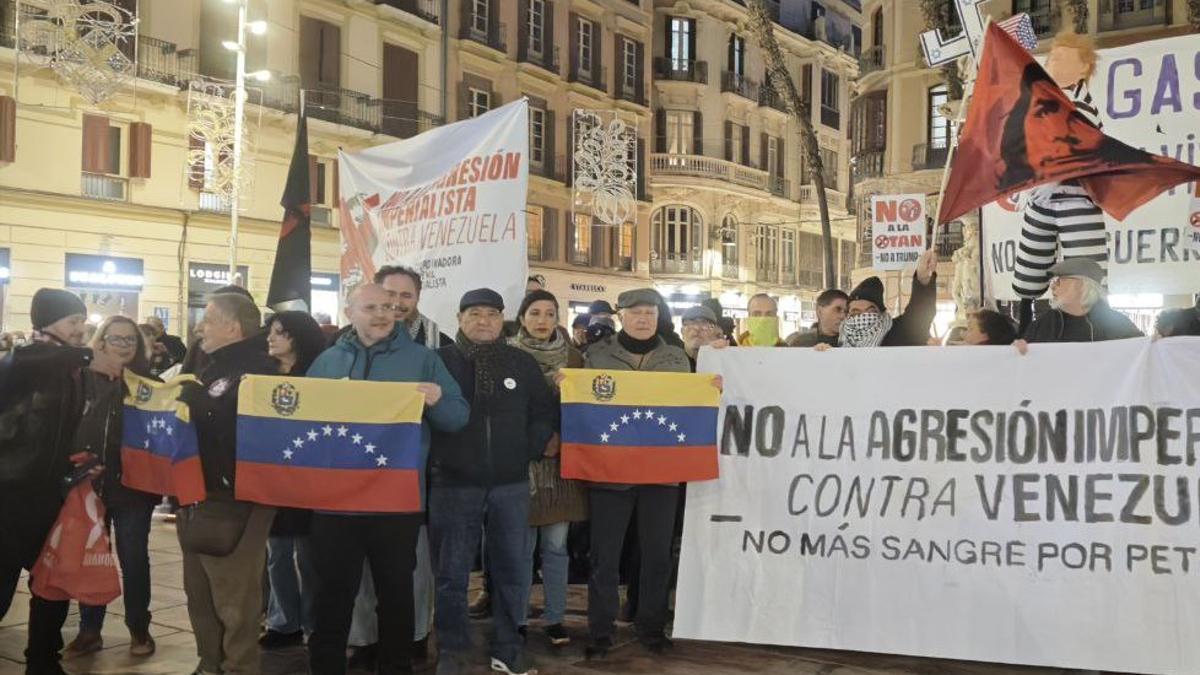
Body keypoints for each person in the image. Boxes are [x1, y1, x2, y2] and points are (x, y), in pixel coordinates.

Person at [305, 284, 468, 675]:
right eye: (371, 306)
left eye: (389, 307)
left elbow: (458, 417)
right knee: (332, 593)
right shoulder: (328, 361)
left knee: (395, 593)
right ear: (350, 311)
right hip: (335, 500)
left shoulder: (422, 360)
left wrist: (437, 401)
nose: (382, 313)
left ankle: (396, 667)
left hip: (395, 500)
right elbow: (303, 420)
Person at [429, 288, 555, 675]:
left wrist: (526, 451)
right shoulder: (439, 362)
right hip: (453, 484)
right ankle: (452, 649)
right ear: (460, 318)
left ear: (503, 320)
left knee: (512, 571)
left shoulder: (521, 363)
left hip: (510, 484)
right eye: (475, 313)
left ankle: (508, 647)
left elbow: (543, 413)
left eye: (492, 314)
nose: (483, 321)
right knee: (451, 574)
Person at [0, 288, 120, 675]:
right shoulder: (22, 360)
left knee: (52, 583)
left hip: (52, 496)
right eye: (73, 321)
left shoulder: (71, 370)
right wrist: (89, 355)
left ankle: (42, 660)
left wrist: (83, 465)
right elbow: (32, 361)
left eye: (83, 321)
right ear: (47, 324)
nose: (81, 329)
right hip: (9, 495)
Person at [346, 266, 451, 669]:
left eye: (406, 297)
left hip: (413, 477)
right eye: (388, 296)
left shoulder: (437, 344)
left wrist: (437, 401)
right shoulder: (342, 346)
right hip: (354, 477)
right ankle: (363, 637)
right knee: (361, 571)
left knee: (411, 568)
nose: (396, 305)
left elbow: (453, 414)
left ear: (417, 299)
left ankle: (411, 636)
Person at [582, 289, 692, 659]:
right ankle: (600, 629)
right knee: (605, 556)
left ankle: (651, 625)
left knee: (658, 554)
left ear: (658, 316)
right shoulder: (595, 356)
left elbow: (689, 407)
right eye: (635, 312)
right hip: (609, 470)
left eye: (650, 311)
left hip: (662, 471)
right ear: (621, 315)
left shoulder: (677, 358)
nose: (643, 318)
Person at [175, 292, 279, 675]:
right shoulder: (212, 367)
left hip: (237, 499)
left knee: (234, 597)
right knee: (198, 592)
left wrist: (199, 404)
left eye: (209, 318)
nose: (201, 326)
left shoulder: (259, 372)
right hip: (197, 492)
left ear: (233, 327)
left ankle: (240, 667)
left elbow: (249, 434)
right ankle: (209, 664)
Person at [66, 317, 160, 659]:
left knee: (134, 559)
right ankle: (90, 630)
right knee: (92, 559)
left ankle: (139, 629)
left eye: (129, 340)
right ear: (101, 341)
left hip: (135, 488)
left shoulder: (149, 384)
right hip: (90, 485)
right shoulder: (84, 379)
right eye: (115, 338)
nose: (122, 344)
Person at [508, 290, 587, 648]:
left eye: (550, 314)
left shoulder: (574, 358)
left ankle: (556, 618)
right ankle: (518, 617)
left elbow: (588, 409)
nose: (542, 320)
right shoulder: (507, 355)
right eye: (535, 313)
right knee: (520, 547)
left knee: (555, 547)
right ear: (522, 317)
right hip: (518, 464)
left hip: (560, 466)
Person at [259, 312, 328, 649]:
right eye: (270, 332)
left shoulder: (317, 374)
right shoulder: (262, 374)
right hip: (273, 477)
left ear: (298, 336)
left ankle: (314, 622)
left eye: (280, 333)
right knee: (276, 554)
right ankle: (283, 621)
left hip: (309, 477)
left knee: (310, 557)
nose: (271, 339)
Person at [822, 249, 939, 349]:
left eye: (870, 312)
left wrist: (922, 279)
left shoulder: (900, 331)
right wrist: (821, 354)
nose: (863, 317)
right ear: (848, 316)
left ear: (881, 312)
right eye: (855, 313)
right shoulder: (838, 339)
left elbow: (919, 313)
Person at [1015, 259, 1142, 348]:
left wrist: (1154, 344)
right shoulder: (1043, 324)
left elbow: (1141, 352)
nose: (1052, 286)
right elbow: (1023, 364)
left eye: (1059, 280)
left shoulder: (1117, 323)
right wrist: (1016, 351)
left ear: (1082, 285)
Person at [376, 265, 453, 348]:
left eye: (406, 295)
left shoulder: (443, 345)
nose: (397, 303)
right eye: (390, 294)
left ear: (418, 297)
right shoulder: (364, 342)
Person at [680, 305, 727, 371]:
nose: (697, 328)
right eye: (689, 324)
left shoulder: (723, 361)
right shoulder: (672, 361)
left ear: (715, 333)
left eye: (704, 324)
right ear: (682, 332)